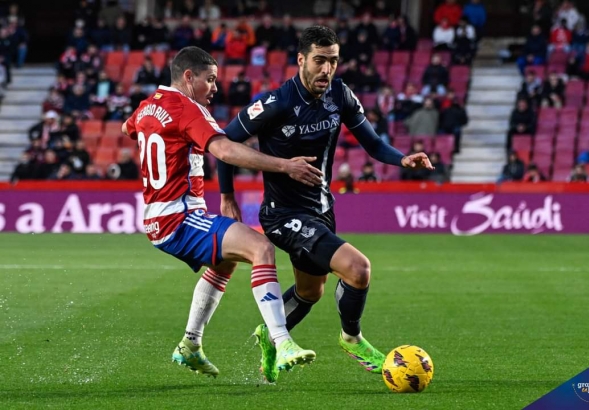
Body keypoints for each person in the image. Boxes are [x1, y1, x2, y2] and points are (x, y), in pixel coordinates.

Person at [215, 26, 433, 383]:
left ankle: (270, 336)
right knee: (358, 269)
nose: (326, 69)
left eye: (332, 61)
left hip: (321, 210)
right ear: (301, 60)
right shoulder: (276, 103)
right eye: (319, 60)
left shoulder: (340, 96)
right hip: (283, 215)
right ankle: (352, 338)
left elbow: (374, 144)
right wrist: (227, 196)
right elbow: (223, 145)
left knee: (309, 292)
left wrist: (402, 159)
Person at [121, 46, 323, 378]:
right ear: (188, 77)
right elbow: (225, 150)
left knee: (225, 259)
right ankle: (283, 341)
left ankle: (191, 344)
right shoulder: (189, 109)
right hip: (180, 217)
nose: (215, 88)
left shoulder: (147, 107)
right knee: (261, 248)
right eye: (210, 80)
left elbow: (128, 129)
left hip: (158, 217)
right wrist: (285, 165)